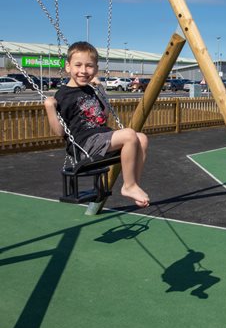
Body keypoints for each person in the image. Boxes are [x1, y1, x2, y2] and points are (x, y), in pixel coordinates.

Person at [44, 41, 150, 207]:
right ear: (68, 67)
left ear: (95, 68)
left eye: (89, 66)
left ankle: (133, 183)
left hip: (102, 137)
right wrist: (50, 108)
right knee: (129, 134)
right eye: (78, 65)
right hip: (85, 144)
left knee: (142, 138)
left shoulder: (91, 89)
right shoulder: (63, 94)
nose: (83, 71)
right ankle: (128, 186)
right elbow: (60, 132)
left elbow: (104, 115)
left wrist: (101, 91)